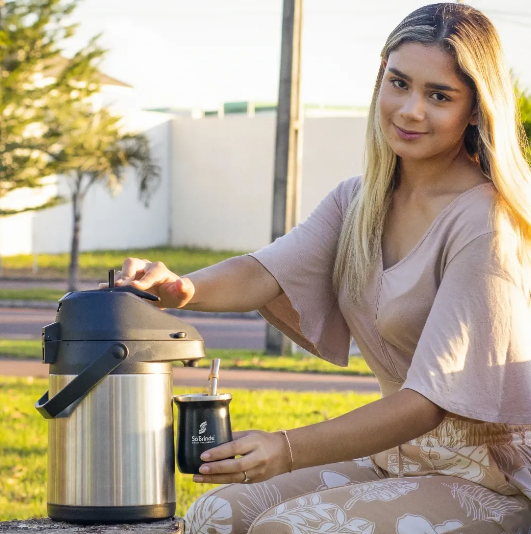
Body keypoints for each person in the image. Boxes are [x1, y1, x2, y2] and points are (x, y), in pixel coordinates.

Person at [111, 3, 531, 532]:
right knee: (214, 514)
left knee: (287, 528)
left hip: (489, 478)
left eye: (439, 95)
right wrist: (181, 287)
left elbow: (428, 403)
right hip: (396, 458)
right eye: (398, 83)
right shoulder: (358, 200)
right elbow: (264, 272)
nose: (409, 110)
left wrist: (286, 449)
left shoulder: (485, 221)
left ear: (475, 109)